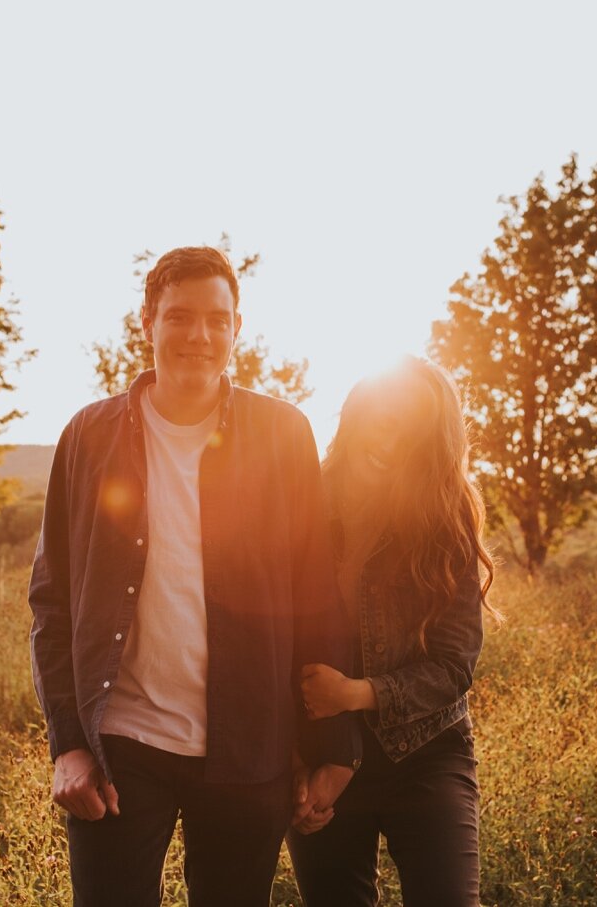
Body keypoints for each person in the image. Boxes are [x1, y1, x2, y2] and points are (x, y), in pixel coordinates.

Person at [28, 246, 360, 907]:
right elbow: (53, 603)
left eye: (217, 319)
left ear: (238, 329)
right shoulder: (88, 437)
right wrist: (69, 744)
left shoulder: (283, 434)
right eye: (179, 317)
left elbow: (316, 596)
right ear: (146, 321)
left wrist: (333, 748)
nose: (199, 336)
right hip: (121, 746)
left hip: (248, 748)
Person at [287, 356, 496, 907]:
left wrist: (355, 694)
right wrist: (295, 763)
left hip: (425, 753)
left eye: (412, 429)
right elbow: (268, 639)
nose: (390, 439)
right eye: (383, 416)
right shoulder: (302, 503)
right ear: (356, 414)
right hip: (322, 756)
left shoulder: (441, 519)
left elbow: (454, 665)